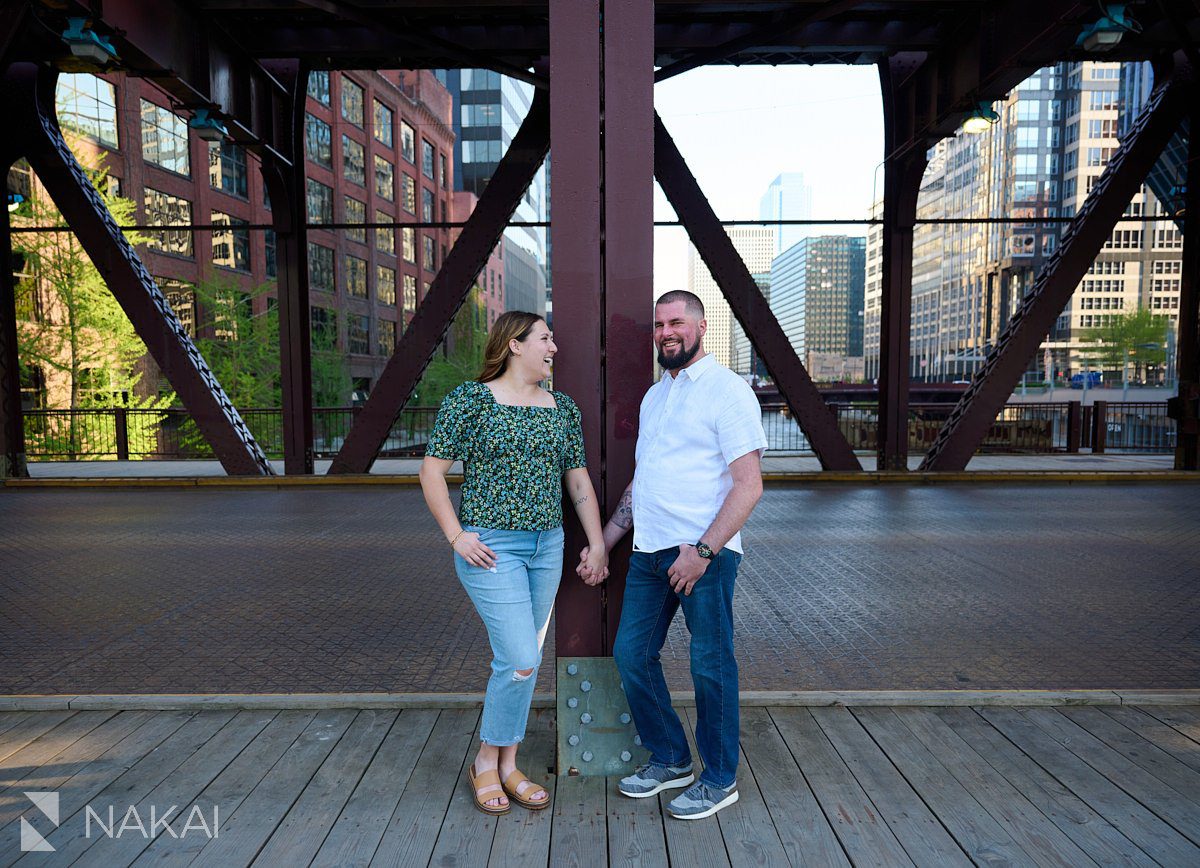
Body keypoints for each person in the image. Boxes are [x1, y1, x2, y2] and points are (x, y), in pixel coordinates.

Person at [577, 290, 766, 820]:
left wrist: (704, 551)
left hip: (703, 556)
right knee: (631, 655)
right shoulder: (654, 397)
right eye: (659, 324)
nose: (666, 332)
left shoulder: (728, 392)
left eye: (677, 322)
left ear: (702, 326)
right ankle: (672, 758)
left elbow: (748, 486)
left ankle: (720, 778)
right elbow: (644, 483)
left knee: (710, 664)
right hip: (648, 554)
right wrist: (604, 543)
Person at [421, 311, 609, 816]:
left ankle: (509, 765)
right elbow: (432, 472)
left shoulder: (561, 408)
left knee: (520, 665)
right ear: (514, 345)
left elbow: (578, 481)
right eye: (546, 338)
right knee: (522, 657)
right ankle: (486, 760)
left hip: (547, 546)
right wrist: (455, 535)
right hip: (491, 548)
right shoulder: (471, 400)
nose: (554, 347)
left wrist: (596, 542)